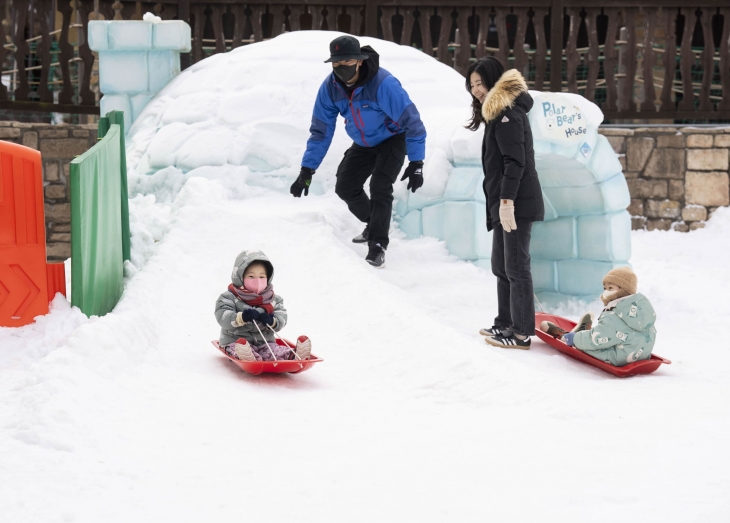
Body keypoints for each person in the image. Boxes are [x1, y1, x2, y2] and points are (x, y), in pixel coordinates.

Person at [290, 35, 427, 268]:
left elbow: (412, 122)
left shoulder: (383, 84)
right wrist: (307, 169)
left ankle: (377, 245)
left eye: (346, 62)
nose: (340, 68)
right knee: (345, 186)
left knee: (380, 186)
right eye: (336, 64)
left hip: (392, 139)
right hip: (363, 143)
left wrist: (416, 162)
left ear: (359, 61)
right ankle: (374, 223)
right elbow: (321, 131)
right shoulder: (330, 88)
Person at [467, 58, 545, 349]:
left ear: (494, 81)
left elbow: (516, 162)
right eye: (472, 85)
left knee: (516, 267)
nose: (475, 90)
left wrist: (507, 201)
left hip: (515, 203)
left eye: (479, 83)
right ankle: (505, 323)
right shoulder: (497, 113)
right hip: (503, 203)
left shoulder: (508, 114)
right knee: (501, 267)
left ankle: (521, 333)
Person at [541, 267, 657, 367]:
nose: (606, 292)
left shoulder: (614, 316)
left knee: (588, 342)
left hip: (617, 359)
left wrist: (574, 339)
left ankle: (566, 336)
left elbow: (597, 340)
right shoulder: (643, 311)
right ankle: (583, 333)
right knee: (604, 334)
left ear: (624, 290)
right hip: (641, 355)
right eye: (605, 288)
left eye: (610, 288)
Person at [214, 250, 311, 362]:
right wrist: (241, 317)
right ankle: (248, 357)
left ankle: (294, 355)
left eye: (262, 277)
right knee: (237, 348)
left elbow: (282, 318)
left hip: (265, 342)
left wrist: (272, 321)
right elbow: (222, 317)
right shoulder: (229, 297)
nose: (257, 281)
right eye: (251, 276)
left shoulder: (274, 299)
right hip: (235, 340)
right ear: (240, 277)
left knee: (274, 351)